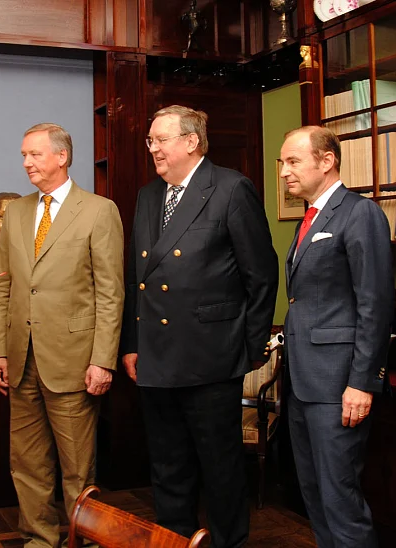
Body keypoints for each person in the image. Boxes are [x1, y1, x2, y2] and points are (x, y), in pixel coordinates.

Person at [119, 105, 279, 548]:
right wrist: (132, 344)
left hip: (211, 355)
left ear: (191, 142)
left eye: (160, 139)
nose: (153, 149)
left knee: (220, 466)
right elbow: (137, 277)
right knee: (167, 465)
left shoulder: (230, 189)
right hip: (155, 355)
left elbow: (261, 275)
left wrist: (249, 348)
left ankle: (229, 542)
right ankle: (175, 540)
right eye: (150, 140)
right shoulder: (149, 196)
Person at [0, 123, 125, 548]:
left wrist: (103, 359)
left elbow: (110, 292)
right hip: (20, 359)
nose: (26, 162)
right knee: (26, 463)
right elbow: (4, 285)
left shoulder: (100, 210)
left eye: (35, 154)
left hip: (73, 360)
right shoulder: (17, 212)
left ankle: (78, 542)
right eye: (24, 155)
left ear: (62, 157)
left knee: (77, 469)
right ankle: (38, 539)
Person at [278, 126, 394, 548]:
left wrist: (363, 382)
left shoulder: (359, 213)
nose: (285, 172)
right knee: (314, 497)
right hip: (302, 384)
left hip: (338, 386)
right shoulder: (309, 217)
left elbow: (374, 305)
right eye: (283, 163)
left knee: (340, 501)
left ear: (326, 161)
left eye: (293, 161)